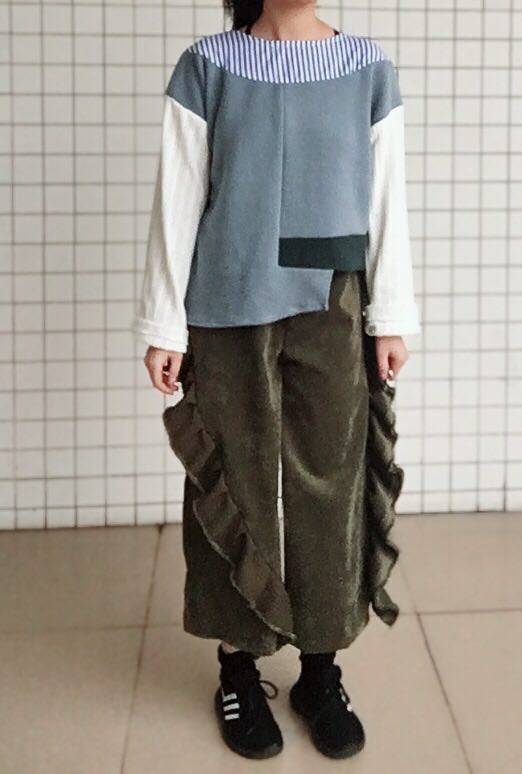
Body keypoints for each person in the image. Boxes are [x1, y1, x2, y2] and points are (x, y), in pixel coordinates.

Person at [132, 0, 421, 761]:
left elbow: (387, 197)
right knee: (238, 483)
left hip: (334, 304)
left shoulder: (367, 69)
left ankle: (320, 667)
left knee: (332, 482)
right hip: (227, 305)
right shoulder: (207, 68)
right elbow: (178, 198)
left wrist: (390, 316)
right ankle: (238, 665)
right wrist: (164, 324)